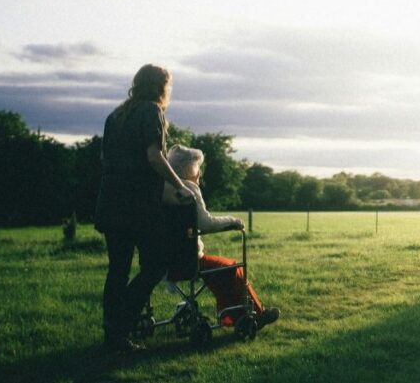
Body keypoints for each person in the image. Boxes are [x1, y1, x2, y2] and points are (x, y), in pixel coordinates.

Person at [94, 64, 195, 353]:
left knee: (118, 270)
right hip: (137, 204)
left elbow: (105, 157)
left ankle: (113, 335)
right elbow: (154, 156)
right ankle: (122, 324)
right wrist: (180, 185)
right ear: (161, 86)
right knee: (155, 265)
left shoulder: (116, 115)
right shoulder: (152, 111)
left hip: (110, 200)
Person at [162, 144, 280, 329]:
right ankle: (255, 314)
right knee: (231, 267)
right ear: (188, 169)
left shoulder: (162, 188)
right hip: (188, 259)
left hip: (164, 260)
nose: (199, 173)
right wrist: (233, 221)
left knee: (219, 269)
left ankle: (232, 315)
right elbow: (206, 223)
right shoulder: (189, 189)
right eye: (197, 168)